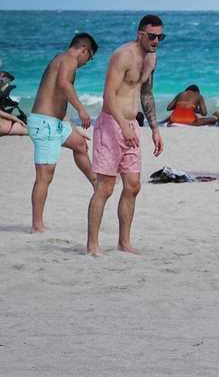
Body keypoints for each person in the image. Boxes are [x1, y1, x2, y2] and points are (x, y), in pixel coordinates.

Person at [87, 16, 165, 255]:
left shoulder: (152, 58)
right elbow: (108, 96)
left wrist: (154, 128)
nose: (156, 41)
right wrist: (123, 125)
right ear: (140, 33)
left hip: (132, 125)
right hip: (112, 124)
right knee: (105, 187)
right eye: (152, 36)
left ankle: (124, 242)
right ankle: (92, 245)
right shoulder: (123, 55)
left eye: (161, 37)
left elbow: (147, 93)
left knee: (132, 186)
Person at [26, 33, 98, 233]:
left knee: (80, 144)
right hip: (44, 124)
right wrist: (82, 110)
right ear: (84, 49)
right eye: (89, 58)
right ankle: (37, 224)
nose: (87, 62)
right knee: (45, 176)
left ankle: (96, 183)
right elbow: (64, 85)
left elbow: (56, 97)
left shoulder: (61, 59)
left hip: (56, 123)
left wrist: (71, 127)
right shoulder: (68, 59)